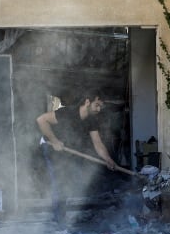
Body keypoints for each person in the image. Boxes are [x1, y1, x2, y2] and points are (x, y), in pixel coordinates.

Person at [36, 92, 119, 222]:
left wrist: (108, 159)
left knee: (70, 178)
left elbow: (97, 143)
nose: (98, 109)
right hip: (50, 146)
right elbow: (41, 120)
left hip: (66, 150)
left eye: (100, 107)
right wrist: (55, 140)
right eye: (96, 105)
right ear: (87, 102)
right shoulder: (67, 113)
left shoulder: (92, 120)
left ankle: (64, 213)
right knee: (59, 180)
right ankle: (59, 219)